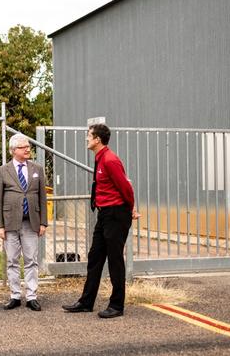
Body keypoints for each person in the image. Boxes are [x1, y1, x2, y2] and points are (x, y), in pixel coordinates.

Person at [62, 124, 140, 318]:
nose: (86, 139)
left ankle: (117, 306)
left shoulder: (110, 160)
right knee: (95, 257)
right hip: (104, 214)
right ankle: (86, 302)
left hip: (116, 214)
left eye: (89, 136)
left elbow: (126, 188)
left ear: (97, 139)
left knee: (115, 260)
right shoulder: (101, 158)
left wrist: (130, 209)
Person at [0, 133, 47, 311]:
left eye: (28, 147)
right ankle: (15, 296)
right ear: (13, 150)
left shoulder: (37, 169)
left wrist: (43, 223)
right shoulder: (2, 171)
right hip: (10, 224)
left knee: (32, 260)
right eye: (24, 147)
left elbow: (42, 197)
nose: (27, 149)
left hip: (31, 222)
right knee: (12, 261)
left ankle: (32, 296)